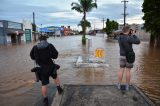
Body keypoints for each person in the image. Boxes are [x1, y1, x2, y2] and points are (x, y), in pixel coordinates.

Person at [30, 35, 63, 106]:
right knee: (55, 77)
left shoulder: (35, 47)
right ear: (46, 39)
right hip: (51, 67)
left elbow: (32, 56)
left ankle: (46, 100)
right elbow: (55, 56)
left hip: (41, 69)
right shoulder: (50, 46)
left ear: (39, 40)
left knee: (44, 84)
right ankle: (59, 89)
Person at [117, 26, 140, 90]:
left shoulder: (119, 37)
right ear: (129, 30)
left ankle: (118, 85)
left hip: (122, 56)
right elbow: (138, 41)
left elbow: (122, 35)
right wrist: (134, 35)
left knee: (121, 70)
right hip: (129, 56)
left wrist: (130, 34)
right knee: (128, 71)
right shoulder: (129, 38)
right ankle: (127, 86)